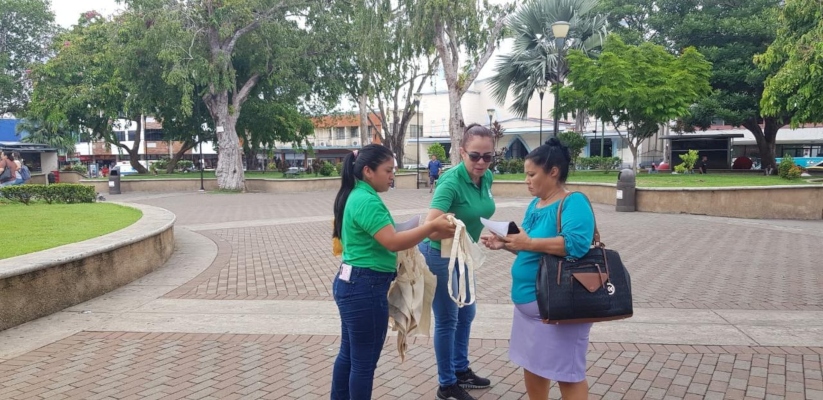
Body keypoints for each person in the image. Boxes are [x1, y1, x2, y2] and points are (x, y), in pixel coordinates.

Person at [331, 144, 455, 400]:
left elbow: (386, 236)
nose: (392, 176)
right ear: (368, 171)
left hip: (352, 282)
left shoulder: (356, 194)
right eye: (388, 170)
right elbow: (393, 242)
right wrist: (430, 227)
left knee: (350, 355)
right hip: (365, 287)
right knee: (363, 363)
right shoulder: (366, 200)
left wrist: (420, 230)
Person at [480, 138, 595, 400]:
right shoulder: (535, 205)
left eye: (532, 174)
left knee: (567, 372)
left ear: (553, 172)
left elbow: (576, 245)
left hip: (560, 304)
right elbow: (529, 247)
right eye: (525, 175)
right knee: (534, 365)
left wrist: (528, 241)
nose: (527, 180)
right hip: (529, 306)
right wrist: (506, 244)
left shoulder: (573, 202)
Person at [418, 123, 496, 400]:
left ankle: (461, 369)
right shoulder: (450, 182)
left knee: (467, 313)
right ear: (462, 152)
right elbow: (430, 226)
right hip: (439, 255)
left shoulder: (485, 178)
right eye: (475, 155)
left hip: (463, 254)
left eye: (488, 156)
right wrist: (457, 229)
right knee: (448, 319)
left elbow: (477, 212)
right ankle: (447, 383)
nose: (481, 162)